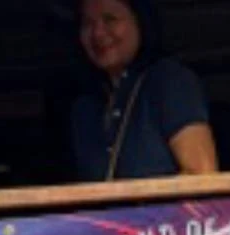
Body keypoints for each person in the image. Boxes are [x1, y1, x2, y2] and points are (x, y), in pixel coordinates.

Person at [71, 0, 217, 183]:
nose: (98, 33)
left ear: (140, 22)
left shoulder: (168, 79)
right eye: (87, 23)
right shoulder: (85, 106)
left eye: (110, 19)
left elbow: (202, 174)